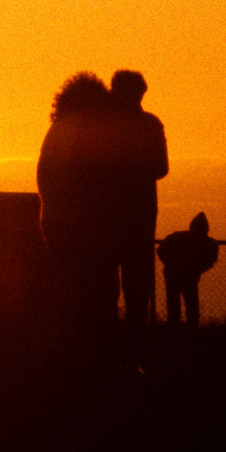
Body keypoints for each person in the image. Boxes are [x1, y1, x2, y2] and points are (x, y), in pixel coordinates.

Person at [37, 69, 168, 372]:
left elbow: (79, 173)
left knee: (103, 289)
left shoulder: (94, 126)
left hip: (101, 220)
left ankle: (100, 352)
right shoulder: (149, 124)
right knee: (135, 290)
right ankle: (131, 354)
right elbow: (160, 168)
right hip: (137, 218)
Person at [157, 212, 218, 330]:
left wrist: (169, 263)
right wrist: (196, 268)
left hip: (173, 274)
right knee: (190, 301)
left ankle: (175, 326)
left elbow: (160, 249)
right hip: (186, 275)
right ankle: (190, 326)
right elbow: (211, 260)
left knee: (175, 301)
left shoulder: (177, 237)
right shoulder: (208, 243)